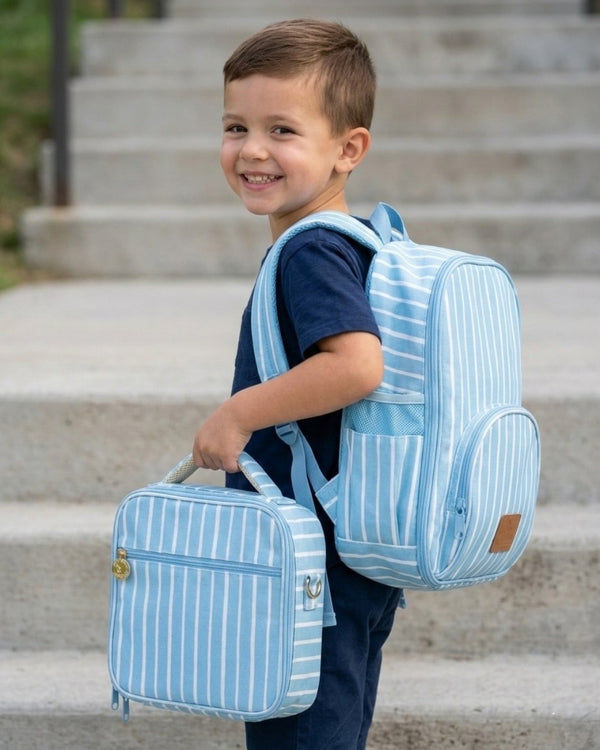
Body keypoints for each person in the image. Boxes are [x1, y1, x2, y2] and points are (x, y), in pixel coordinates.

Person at [192, 18, 402, 750]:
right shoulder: (350, 239)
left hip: (308, 571)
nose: (251, 149)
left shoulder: (312, 249)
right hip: (341, 556)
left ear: (349, 149)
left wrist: (238, 413)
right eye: (235, 125)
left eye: (282, 129)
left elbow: (356, 365)